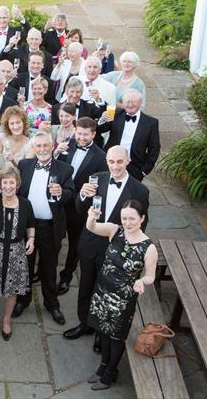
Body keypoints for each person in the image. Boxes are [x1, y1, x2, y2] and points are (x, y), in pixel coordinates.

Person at [63, 146, 150, 352]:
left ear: (127, 161)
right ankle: (84, 323)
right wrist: (82, 196)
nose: (115, 166)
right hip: (90, 243)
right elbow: (79, 209)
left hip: (116, 251)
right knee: (85, 285)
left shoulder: (140, 190)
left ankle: (101, 333)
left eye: (119, 161)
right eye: (111, 162)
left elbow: (142, 224)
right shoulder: (96, 179)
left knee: (105, 292)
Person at [85, 200, 157, 390]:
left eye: (132, 218)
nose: (127, 222)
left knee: (116, 336)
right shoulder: (114, 230)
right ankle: (102, 367)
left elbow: (151, 276)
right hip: (103, 291)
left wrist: (142, 281)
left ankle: (110, 374)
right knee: (103, 330)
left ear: (142, 218)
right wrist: (91, 216)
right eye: (124, 218)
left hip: (123, 299)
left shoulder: (149, 248)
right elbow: (91, 227)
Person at [14, 132, 75, 324]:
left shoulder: (65, 169)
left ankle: (52, 304)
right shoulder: (24, 165)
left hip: (50, 228)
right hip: (27, 227)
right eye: (38, 146)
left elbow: (71, 193)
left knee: (49, 268)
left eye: (45, 146)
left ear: (52, 146)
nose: (41, 149)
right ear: (33, 147)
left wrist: (61, 193)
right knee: (25, 266)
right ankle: (23, 300)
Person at [0, 167, 35, 340]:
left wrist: (31, 239)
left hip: (16, 250)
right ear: (0, 184)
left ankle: (7, 320)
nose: (8, 186)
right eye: (5, 182)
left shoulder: (25, 203)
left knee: (12, 289)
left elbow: (31, 224)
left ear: (17, 184)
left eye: (11, 182)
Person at [55, 117, 108, 295]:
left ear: (93, 134)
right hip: (60, 202)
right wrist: (56, 153)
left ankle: (66, 276)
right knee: (54, 240)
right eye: (79, 133)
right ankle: (45, 272)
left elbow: (100, 186)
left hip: (80, 207)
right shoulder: (66, 145)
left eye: (86, 134)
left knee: (74, 245)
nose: (81, 137)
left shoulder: (101, 157)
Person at [98, 89, 160, 181]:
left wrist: (144, 171)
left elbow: (154, 149)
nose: (130, 105)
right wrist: (102, 120)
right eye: (127, 102)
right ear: (122, 103)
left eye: (133, 102)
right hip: (110, 163)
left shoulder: (151, 123)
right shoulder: (116, 114)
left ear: (140, 102)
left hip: (134, 167)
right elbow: (100, 129)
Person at [0, 105, 34, 174]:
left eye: (18, 122)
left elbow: (26, 170)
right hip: (0, 180)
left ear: (23, 123)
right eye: (12, 123)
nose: (15, 127)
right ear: (8, 126)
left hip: (20, 182)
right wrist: (2, 174)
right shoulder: (2, 138)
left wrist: (13, 161)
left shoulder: (30, 144)